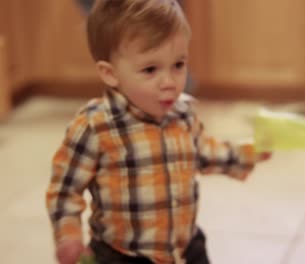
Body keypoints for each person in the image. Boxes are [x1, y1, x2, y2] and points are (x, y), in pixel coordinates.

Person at [45, 0, 272, 263]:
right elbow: (65, 189)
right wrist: (68, 236)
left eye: (178, 64)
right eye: (150, 69)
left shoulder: (182, 113)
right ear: (110, 73)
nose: (169, 82)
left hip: (186, 249)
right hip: (122, 255)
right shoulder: (95, 127)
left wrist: (250, 153)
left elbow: (204, 152)